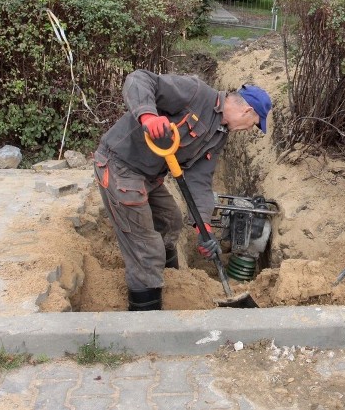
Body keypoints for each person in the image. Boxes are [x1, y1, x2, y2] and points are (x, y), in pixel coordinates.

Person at [93, 69, 272, 311]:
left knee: (171, 220)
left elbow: (199, 180)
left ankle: (171, 284)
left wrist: (204, 227)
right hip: (120, 166)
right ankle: (146, 316)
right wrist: (148, 116)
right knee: (147, 248)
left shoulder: (218, 135)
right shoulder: (195, 93)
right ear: (247, 111)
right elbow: (139, 79)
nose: (249, 129)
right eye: (254, 124)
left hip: (149, 175)